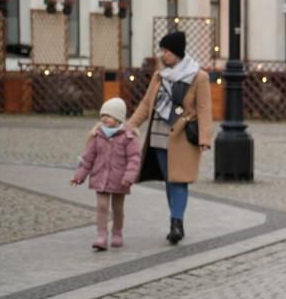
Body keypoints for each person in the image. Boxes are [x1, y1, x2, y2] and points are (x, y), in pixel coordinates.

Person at [127, 30, 212, 245]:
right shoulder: (159, 75)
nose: (162, 55)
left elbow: (203, 108)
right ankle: (175, 220)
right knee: (169, 180)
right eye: (161, 51)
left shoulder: (198, 76)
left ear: (176, 52)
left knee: (179, 181)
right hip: (158, 135)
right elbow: (147, 103)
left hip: (183, 136)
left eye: (165, 51)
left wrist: (205, 137)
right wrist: (131, 125)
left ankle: (177, 222)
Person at [70, 98, 142, 250]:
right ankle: (101, 235)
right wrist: (79, 176)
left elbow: (134, 159)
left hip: (120, 180)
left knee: (117, 209)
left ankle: (117, 233)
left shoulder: (129, 138)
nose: (104, 118)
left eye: (108, 115)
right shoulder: (97, 136)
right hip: (100, 178)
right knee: (102, 206)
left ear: (118, 118)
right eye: (102, 115)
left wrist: (129, 178)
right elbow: (87, 158)